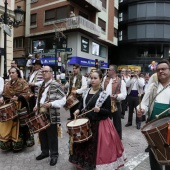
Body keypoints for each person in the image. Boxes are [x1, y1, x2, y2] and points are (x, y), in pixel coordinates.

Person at [70, 70, 126, 169]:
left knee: (94, 147)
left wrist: (100, 109)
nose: (93, 80)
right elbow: (81, 103)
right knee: (83, 144)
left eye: (95, 78)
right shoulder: (86, 91)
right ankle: (83, 163)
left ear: (101, 80)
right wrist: (78, 110)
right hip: (86, 122)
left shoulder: (105, 94)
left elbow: (108, 112)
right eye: (91, 78)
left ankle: (94, 164)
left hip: (99, 124)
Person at [137, 59, 170, 170]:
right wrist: (141, 110)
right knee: (155, 161)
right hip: (153, 128)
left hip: (169, 129)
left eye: (164, 69)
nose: (161, 71)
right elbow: (145, 104)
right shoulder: (152, 87)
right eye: (158, 70)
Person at [33, 66, 66, 166]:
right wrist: (36, 106)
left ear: (51, 73)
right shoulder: (42, 84)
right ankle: (45, 152)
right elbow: (39, 98)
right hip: (41, 113)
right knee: (42, 134)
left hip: (51, 114)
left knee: (52, 135)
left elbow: (63, 100)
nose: (43, 73)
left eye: (46, 71)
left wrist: (51, 104)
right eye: (42, 72)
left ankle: (54, 155)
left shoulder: (56, 84)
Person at [0, 67, 34, 151]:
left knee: (22, 125)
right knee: (9, 124)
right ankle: (9, 142)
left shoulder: (23, 82)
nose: (11, 74)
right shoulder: (7, 84)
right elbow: (5, 94)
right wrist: (2, 98)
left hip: (21, 107)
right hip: (10, 108)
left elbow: (29, 93)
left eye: (13, 72)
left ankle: (23, 142)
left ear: (17, 73)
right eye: (10, 73)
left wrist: (19, 98)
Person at [102, 65, 127, 139]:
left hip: (116, 103)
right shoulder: (105, 80)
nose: (108, 71)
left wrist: (116, 96)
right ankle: (108, 137)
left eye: (109, 70)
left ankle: (118, 138)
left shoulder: (121, 81)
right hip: (106, 104)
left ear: (114, 71)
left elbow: (124, 94)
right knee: (106, 121)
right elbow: (103, 90)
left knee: (117, 122)